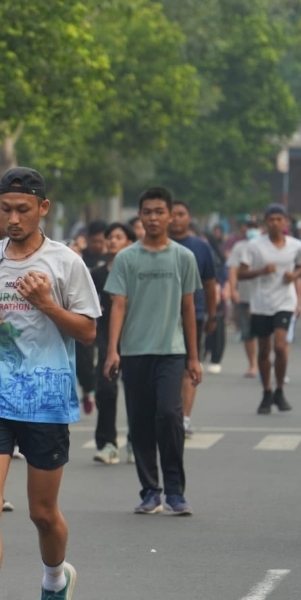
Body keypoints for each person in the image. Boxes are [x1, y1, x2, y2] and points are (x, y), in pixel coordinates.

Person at [0, 167, 99, 600]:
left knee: (43, 513)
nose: (13, 218)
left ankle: (56, 579)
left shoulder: (66, 263)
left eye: (23, 209)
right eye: (5, 209)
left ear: (43, 208)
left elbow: (86, 331)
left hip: (46, 398)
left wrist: (46, 304)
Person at [104, 187, 200, 516]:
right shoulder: (127, 258)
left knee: (171, 415)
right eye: (148, 212)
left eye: (160, 211)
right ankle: (150, 491)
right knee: (141, 421)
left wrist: (194, 357)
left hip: (171, 351)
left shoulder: (183, 257)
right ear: (140, 216)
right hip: (134, 352)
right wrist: (112, 350)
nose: (154, 217)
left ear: (171, 215)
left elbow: (188, 309)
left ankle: (175, 491)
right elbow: (118, 305)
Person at [237, 204, 301, 414]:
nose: (275, 223)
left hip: (284, 301)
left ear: (285, 222)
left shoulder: (295, 245)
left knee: (280, 345)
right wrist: (261, 271)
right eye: (271, 219)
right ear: (265, 222)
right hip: (260, 303)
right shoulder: (255, 246)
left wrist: (293, 276)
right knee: (264, 349)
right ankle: (267, 391)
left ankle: (280, 389)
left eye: (279, 219)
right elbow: (241, 273)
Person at [168, 201, 218, 437]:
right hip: (161, 316)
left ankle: (184, 417)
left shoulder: (200, 247)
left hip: (193, 314)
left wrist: (212, 314)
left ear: (189, 218)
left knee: (190, 366)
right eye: (172, 214)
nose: (176, 219)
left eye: (181, 214)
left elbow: (209, 283)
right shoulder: (154, 246)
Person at [91, 222, 135, 464]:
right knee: (106, 391)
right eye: (110, 237)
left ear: (129, 242)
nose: (113, 241)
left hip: (136, 340)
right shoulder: (97, 274)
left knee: (137, 394)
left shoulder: (136, 271)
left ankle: (137, 442)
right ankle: (107, 443)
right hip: (106, 341)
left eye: (119, 237)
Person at [76, 222, 109, 416]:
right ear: (87, 238)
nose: (97, 244)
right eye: (94, 240)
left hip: (104, 318)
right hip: (83, 316)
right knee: (84, 361)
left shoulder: (109, 258)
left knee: (103, 354)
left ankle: (98, 388)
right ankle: (88, 388)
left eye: (100, 240)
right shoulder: (78, 258)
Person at [227, 222, 262, 378]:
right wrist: (233, 290)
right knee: (247, 332)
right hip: (245, 295)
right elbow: (233, 270)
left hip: (264, 297)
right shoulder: (239, 247)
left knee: (264, 333)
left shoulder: (266, 246)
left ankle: (265, 363)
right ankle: (252, 365)